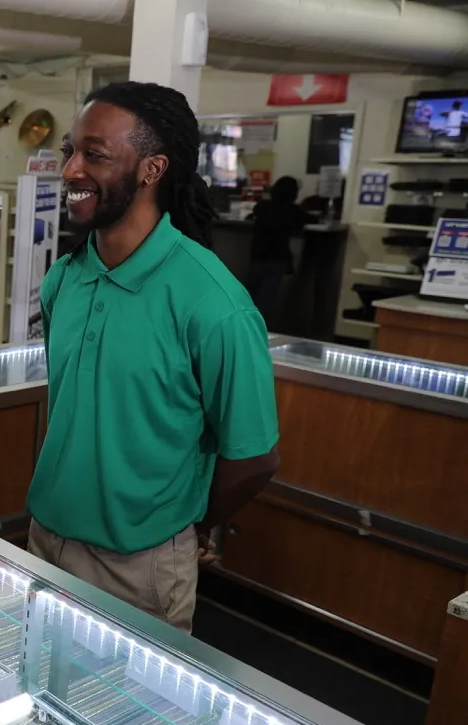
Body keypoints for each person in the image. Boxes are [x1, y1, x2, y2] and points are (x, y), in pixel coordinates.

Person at [27, 81, 281, 634]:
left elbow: (253, 458)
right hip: (44, 538)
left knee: (128, 720)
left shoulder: (213, 304)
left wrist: (184, 527)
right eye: (70, 150)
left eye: (94, 154)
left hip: (139, 568)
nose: (70, 169)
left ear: (152, 169)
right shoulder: (64, 280)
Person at [246, 176, 314, 322]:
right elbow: (312, 220)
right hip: (278, 258)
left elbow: (250, 217)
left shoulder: (262, 207)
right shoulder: (293, 211)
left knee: (248, 296)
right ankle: (258, 332)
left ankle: (241, 329)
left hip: (258, 256)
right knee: (265, 300)